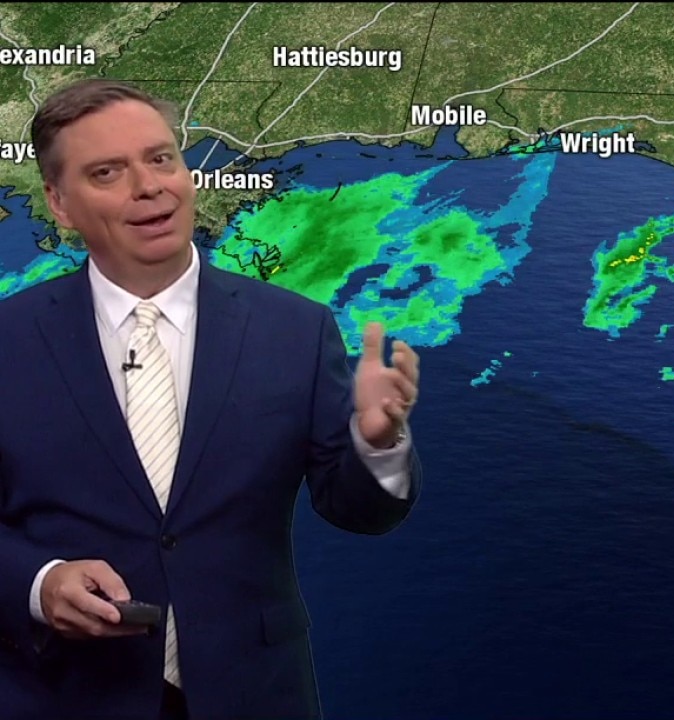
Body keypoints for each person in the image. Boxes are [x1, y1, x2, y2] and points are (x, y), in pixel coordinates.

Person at [0, 78, 424, 719]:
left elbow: (360, 512)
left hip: (255, 694)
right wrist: (38, 584)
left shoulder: (295, 330)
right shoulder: (9, 341)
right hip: (61, 696)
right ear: (59, 203)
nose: (148, 186)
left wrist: (377, 443)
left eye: (161, 158)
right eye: (108, 172)